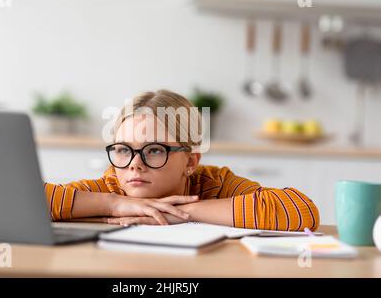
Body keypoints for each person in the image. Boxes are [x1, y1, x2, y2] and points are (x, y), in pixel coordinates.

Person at [44, 89, 319, 231]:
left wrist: (180, 213)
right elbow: (25, 199)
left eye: (154, 150)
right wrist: (115, 204)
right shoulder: (113, 186)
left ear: (190, 162)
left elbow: (301, 210)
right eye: (123, 150)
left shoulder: (214, 184)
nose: (133, 165)